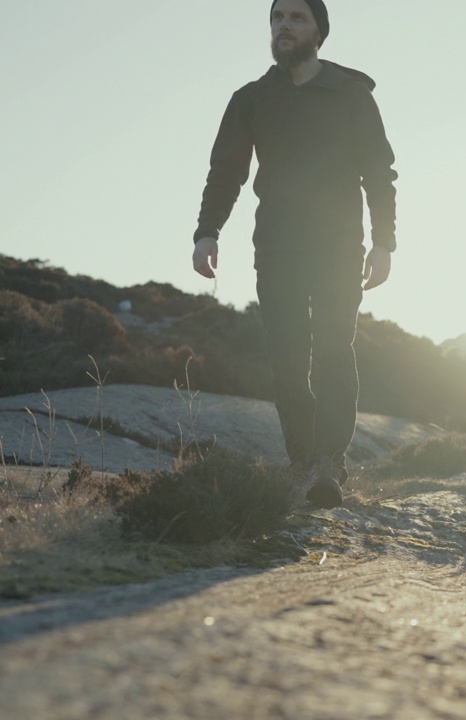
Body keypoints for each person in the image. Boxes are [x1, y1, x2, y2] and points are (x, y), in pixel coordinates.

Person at [191, 0, 398, 508]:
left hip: (338, 246)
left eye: (297, 18)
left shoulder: (351, 94)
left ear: (318, 33)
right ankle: (302, 461)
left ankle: (330, 462)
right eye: (278, 18)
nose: (284, 26)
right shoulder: (251, 99)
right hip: (277, 247)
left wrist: (385, 242)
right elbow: (226, 171)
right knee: (286, 359)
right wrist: (207, 231)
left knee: (332, 350)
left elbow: (379, 173)